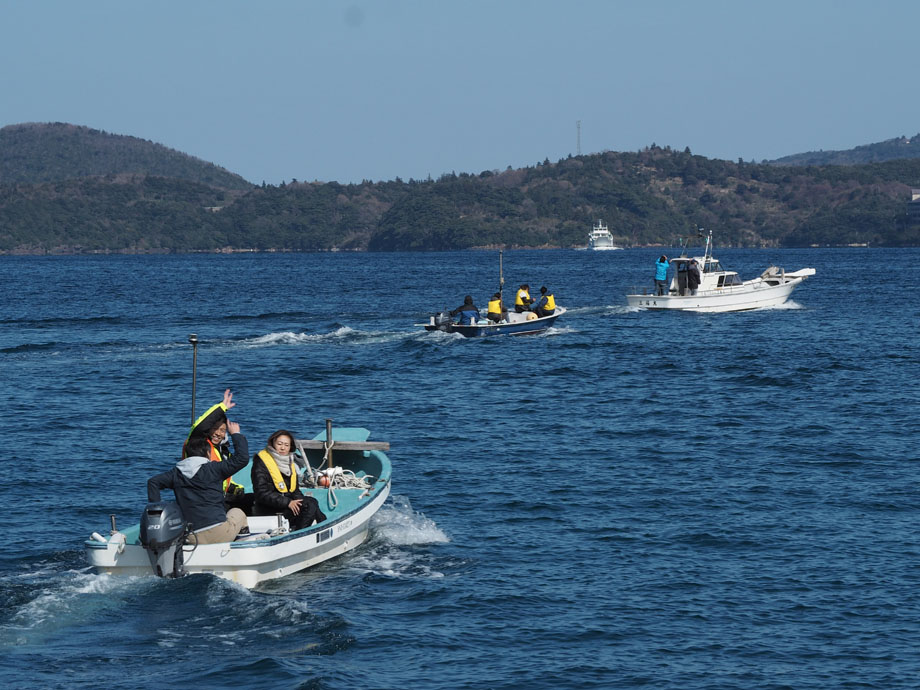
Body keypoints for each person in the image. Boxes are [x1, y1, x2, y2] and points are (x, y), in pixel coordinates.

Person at [148, 424, 250, 544]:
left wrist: (156, 512)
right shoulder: (214, 469)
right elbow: (242, 458)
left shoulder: (176, 474)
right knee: (238, 512)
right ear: (208, 453)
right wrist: (236, 434)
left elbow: (153, 482)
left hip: (192, 537)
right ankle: (240, 547)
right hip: (220, 533)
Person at [183, 389, 255, 515]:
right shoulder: (197, 444)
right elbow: (199, 426)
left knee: (255, 500)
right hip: (204, 502)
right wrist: (222, 408)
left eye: (222, 430)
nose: (218, 433)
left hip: (219, 497)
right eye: (214, 429)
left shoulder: (223, 451)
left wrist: (234, 487)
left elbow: (223, 475)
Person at [251, 429, 326, 531]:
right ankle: (301, 534)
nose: (283, 448)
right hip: (268, 507)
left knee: (311, 502)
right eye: (279, 444)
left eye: (286, 445)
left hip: (284, 504)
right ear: (273, 444)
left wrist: (299, 502)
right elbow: (261, 493)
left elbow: (294, 490)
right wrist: (287, 502)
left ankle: (320, 527)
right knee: (309, 505)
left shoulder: (289, 462)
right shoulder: (261, 463)